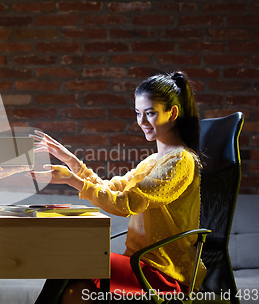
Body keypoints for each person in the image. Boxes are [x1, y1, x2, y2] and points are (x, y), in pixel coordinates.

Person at [30, 71, 206, 304]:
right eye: (138, 113)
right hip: (138, 262)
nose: (141, 122)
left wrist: (73, 180)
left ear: (172, 113)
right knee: (75, 291)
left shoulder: (181, 161)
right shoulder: (153, 161)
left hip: (164, 272)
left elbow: (125, 204)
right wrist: (70, 161)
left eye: (150, 113)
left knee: (72, 259)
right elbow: (110, 188)